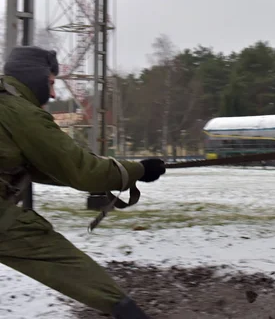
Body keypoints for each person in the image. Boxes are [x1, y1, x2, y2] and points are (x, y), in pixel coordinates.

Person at [0, 46, 166, 318]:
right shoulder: (21, 113)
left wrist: (117, 171)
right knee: (52, 252)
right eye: (51, 83)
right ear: (34, 78)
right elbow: (80, 170)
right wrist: (139, 170)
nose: (53, 94)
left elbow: (50, 168)